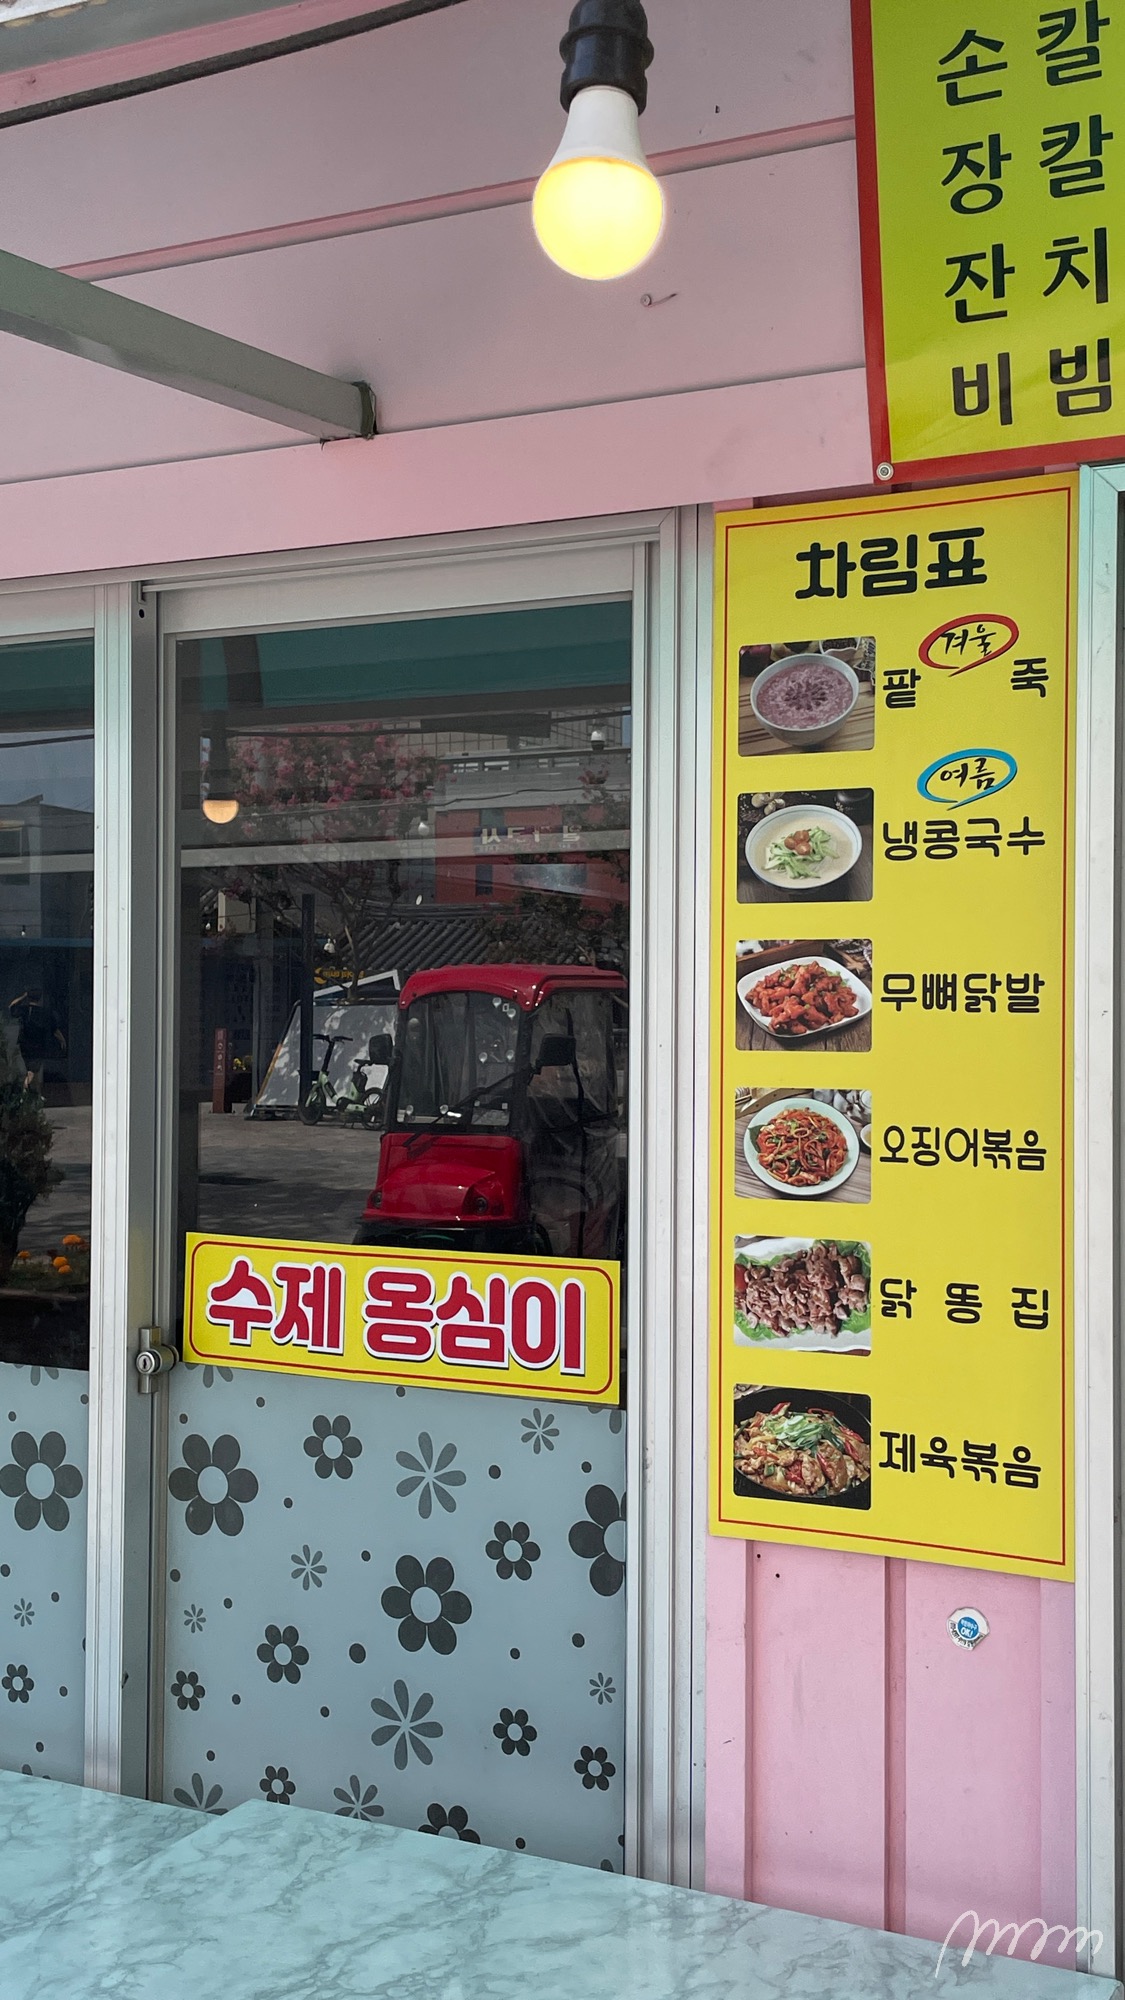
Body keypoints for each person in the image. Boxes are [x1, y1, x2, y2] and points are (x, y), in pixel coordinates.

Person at [8, 987, 66, 1093]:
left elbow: (12, 1006)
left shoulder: (25, 1010)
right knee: (33, 1072)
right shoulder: (45, 1013)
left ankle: (29, 1092)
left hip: (24, 1045)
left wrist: (23, 996)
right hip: (38, 1045)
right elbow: (54, 1029)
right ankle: (26, 1093)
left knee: (30, 1070)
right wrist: (62, 1040)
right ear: (40, 999)